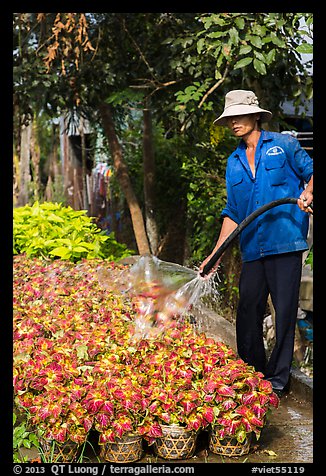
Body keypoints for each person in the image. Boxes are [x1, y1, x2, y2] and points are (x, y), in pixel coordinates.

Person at [199, 90, 313, 397]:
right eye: (230, 118)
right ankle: (252, 374)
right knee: (247, 309)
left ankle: (278, 381)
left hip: (285, 241)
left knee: (285, 310)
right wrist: (215, 256)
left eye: (239, 115)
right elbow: (233, 214)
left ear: (255, 115)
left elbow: (312, 172)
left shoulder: (283, 145)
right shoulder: (233, 162)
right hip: (252, 246)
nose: (234, 122)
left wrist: (308, 193)